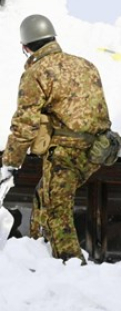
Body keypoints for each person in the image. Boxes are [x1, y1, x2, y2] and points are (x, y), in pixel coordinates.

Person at [0, 14, 111, 264]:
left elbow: (25, 124)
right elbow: (101, 113)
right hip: (96, 151)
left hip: (65, 152)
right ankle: (39, 252)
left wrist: (10, 162)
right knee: (44, 195)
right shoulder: (86, 65)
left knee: (56, 213)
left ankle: (70, 268)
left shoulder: (37, 71)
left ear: (25, 47)